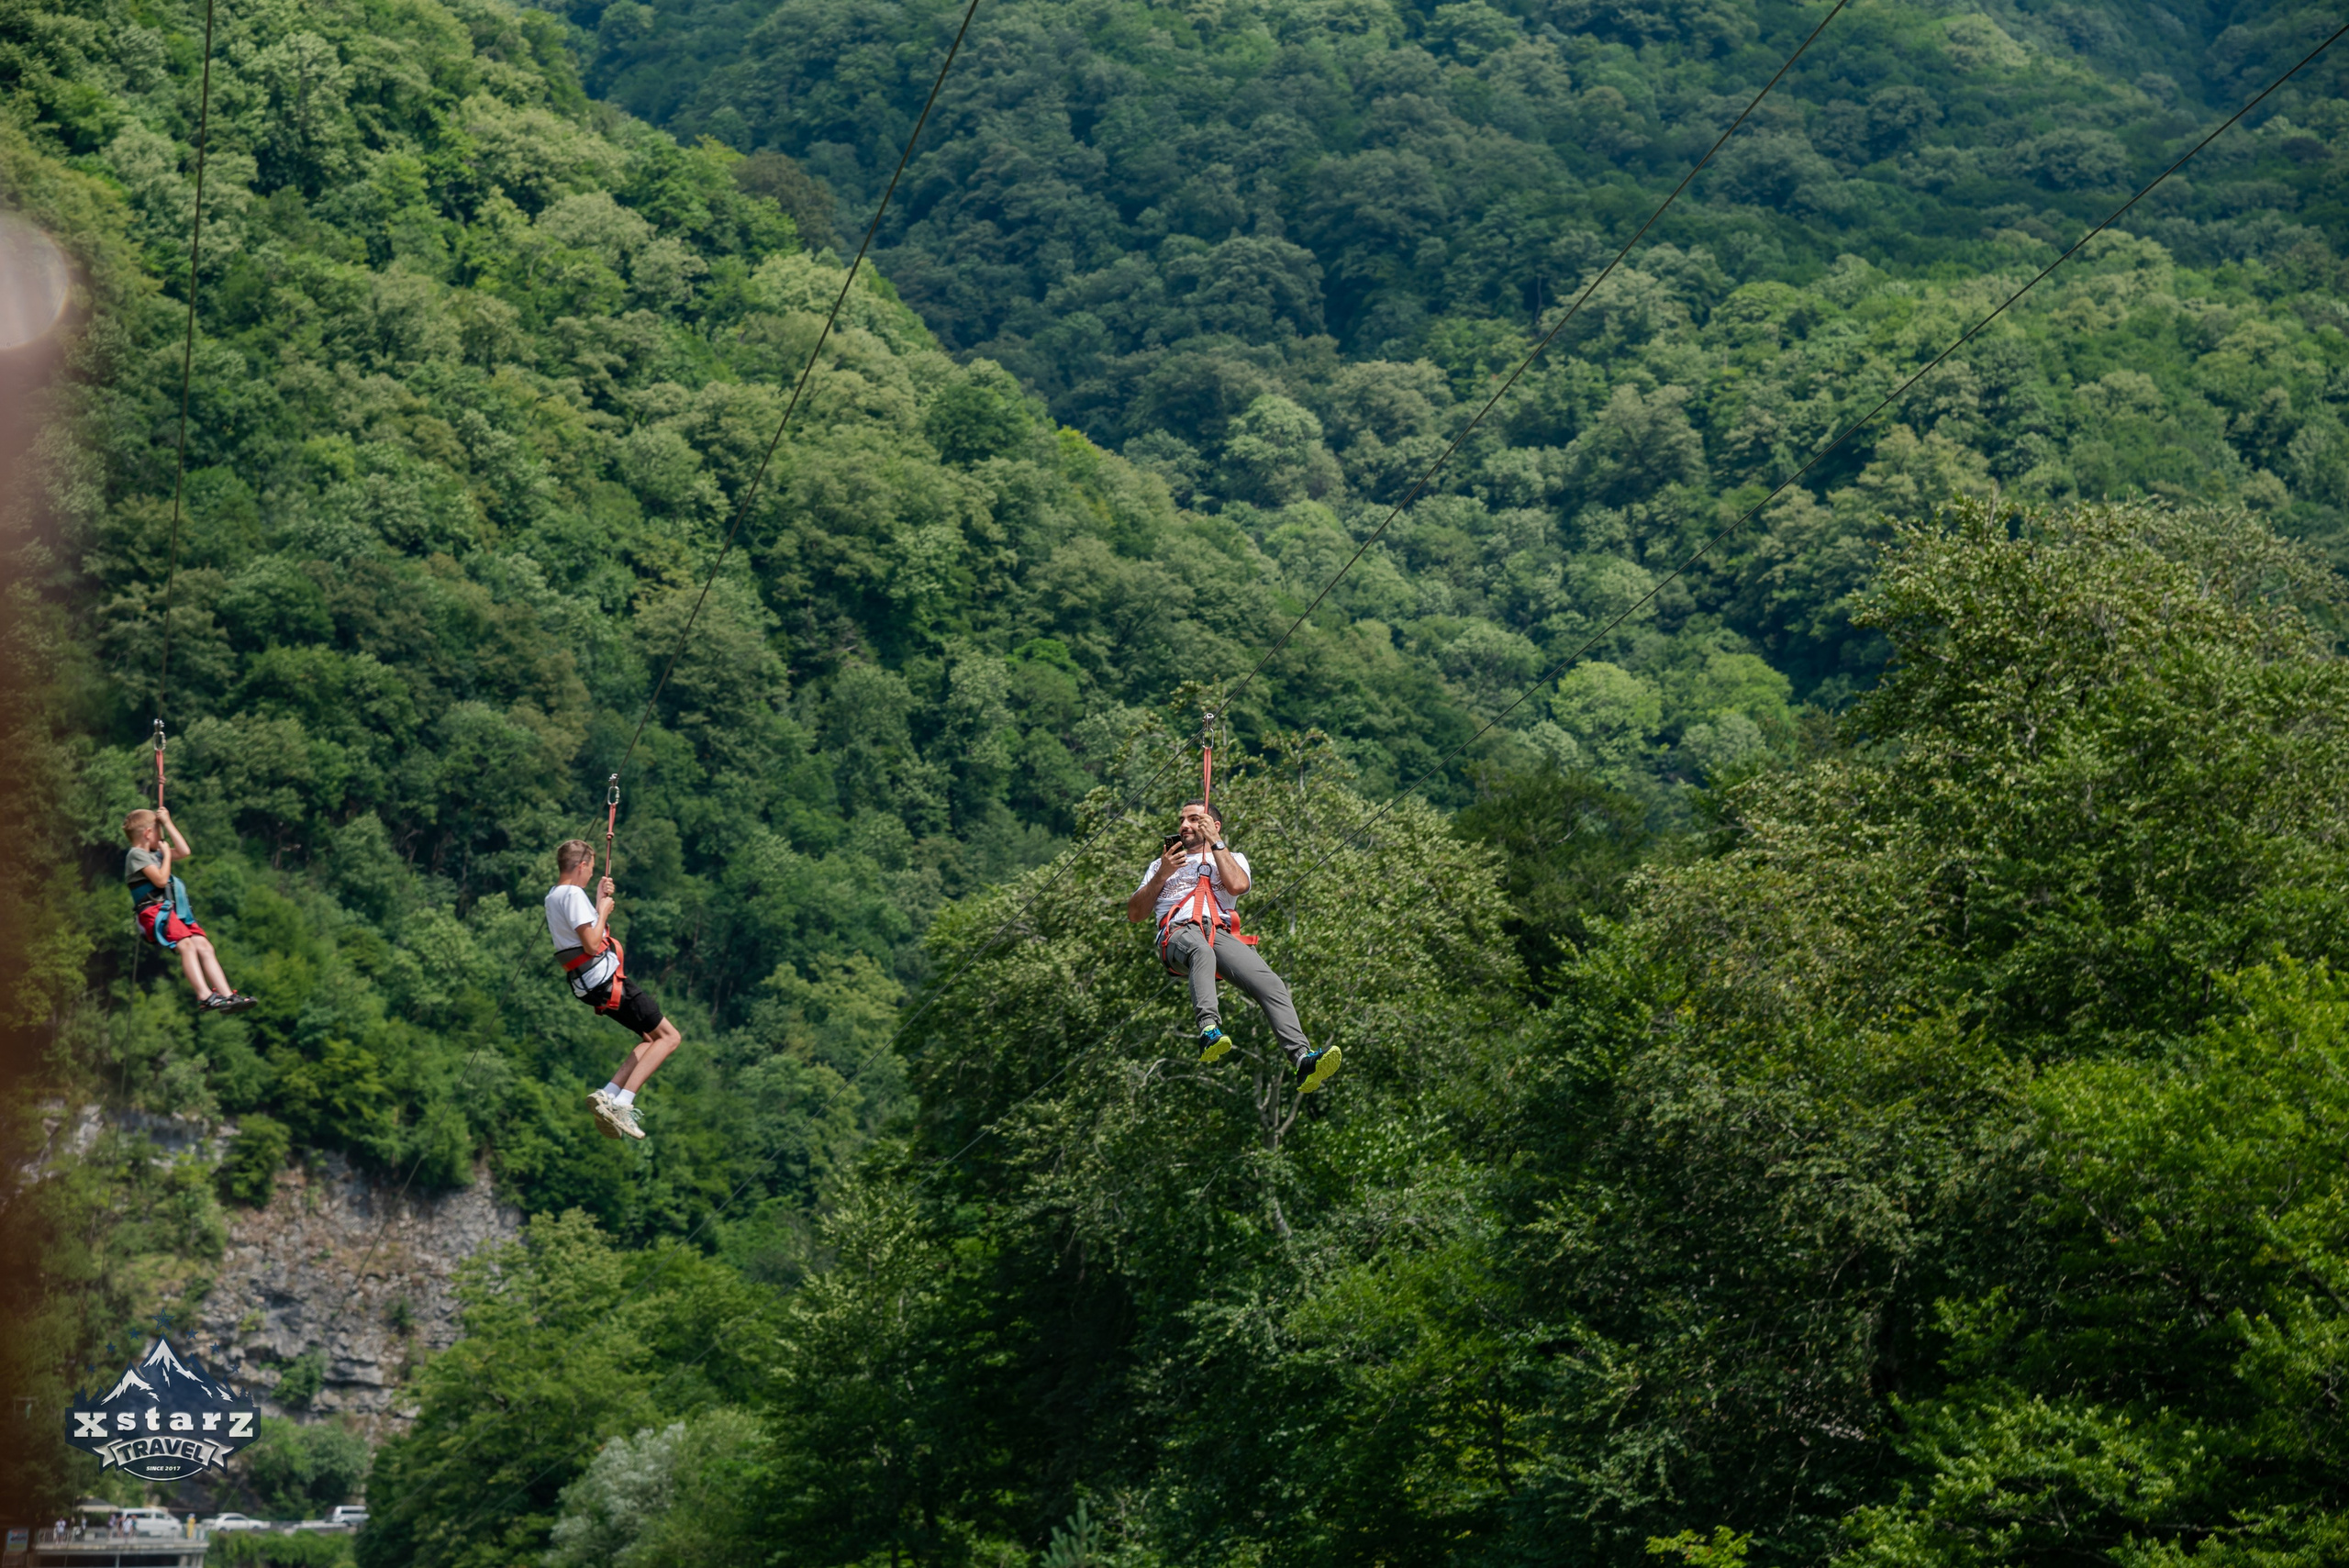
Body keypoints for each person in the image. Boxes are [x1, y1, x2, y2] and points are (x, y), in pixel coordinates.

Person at [1127, 798, 1340, 1093]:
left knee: (1271, 984)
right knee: (1200, 950)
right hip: (1178, 933)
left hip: (1218, 933)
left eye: (1192, 819)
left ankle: (1301, 1058)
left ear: (1213, 825)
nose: (1183, 826)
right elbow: (1135, 914)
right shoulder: (1161, 865)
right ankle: (1208, 1029)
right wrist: (1163, 874)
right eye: (1182, 820)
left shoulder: (1232, 857)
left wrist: (1216, 844)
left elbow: (1238, 886)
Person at [546, 839, 682, 1140]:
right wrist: (605, 910)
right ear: (581, 866)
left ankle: (608, 1094)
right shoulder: (572, 895)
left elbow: (582, 935)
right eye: (591, 870)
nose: (591, 875)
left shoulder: (554, 896)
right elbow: (593, 944)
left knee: (651, 1039)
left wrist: (597, 902)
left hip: (589, 984)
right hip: (606, 980)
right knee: (671, 1038)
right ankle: (623, 1103)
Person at [123, 807, 253, 1011]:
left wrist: (167, 823)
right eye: (160, 833)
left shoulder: (152, 853)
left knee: (204, 945)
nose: (163, 839)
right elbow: (160, 880)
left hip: (169, 911)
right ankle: (205, 995)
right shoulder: (136, 855)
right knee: (186, 945)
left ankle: (227, 995)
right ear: (148, 833)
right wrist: (166, 856)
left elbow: (184, 851)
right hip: (153, 911)